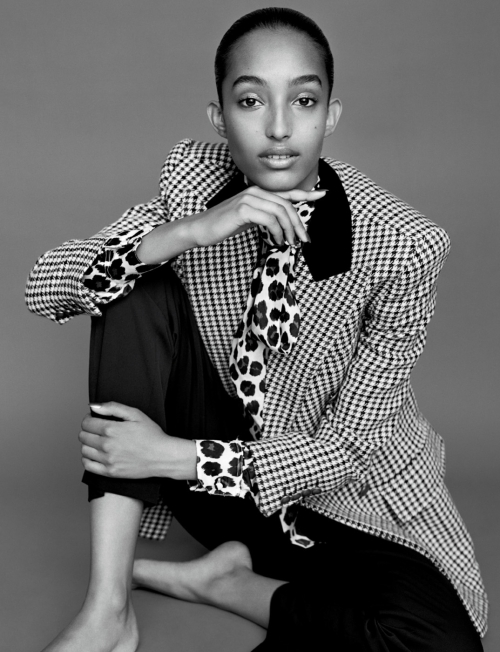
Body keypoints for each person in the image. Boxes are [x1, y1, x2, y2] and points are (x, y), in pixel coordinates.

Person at [26, 7, 486, 652]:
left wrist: (173, 456)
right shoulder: (194, 189)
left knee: (442, 641)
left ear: (331, 115)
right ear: (219, 116)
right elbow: (43, 287)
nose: (278, 128)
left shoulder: (403, 245)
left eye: (303, 100)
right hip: (217, 498)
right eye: (250, 101)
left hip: (336, 497)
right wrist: (187, 232)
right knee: (133, 277)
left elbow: (350, 446)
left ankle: (226, 583)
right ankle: (108, 610)